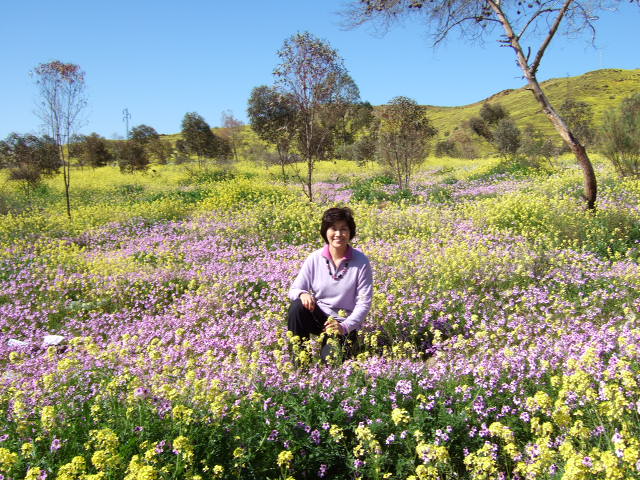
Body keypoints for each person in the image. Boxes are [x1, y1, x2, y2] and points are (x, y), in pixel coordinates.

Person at [287, 207, 373, 358]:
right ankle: (300, 364)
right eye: (333, 229)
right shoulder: (315, 258)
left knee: (331, 363)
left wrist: (345, 327)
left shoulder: (361, 262)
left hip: (343, 323)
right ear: (325, 232)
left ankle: (343, 345)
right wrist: (302, 293)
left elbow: (364, 303)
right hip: (319, 317)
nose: (338, 234)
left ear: (350, 233)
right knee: (297, 307)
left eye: (343, 229)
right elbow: (294, 289)